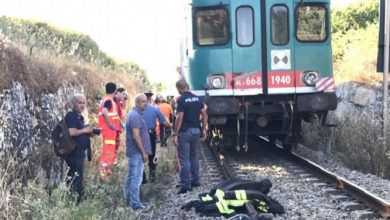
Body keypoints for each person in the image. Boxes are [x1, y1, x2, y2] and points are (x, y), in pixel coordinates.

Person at [173, 79, 208, 194]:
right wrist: (204, 129)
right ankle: (195, 180)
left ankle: (186, 185)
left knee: (184, 159)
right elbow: (204, 114)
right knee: (194, 156)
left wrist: (176, 133)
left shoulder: (181, 99)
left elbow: (180, 117)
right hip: (196, 131)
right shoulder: (198, 98)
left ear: (179, 88)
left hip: (185, 132)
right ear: (187, 86)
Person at [124, 93, 152, 210]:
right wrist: (143, 152)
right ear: (137, 103)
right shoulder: (135, 116)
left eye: (146, 101)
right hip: (136, 152)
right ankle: (136, 204)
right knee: (136, 178)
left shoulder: (134, 114)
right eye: (143, 101)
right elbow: (136, 136)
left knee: (131, 177)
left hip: (133, 152)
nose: (146, 103)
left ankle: (128, 201)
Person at [64, 94, 93, 203]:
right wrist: (85, 131)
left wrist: (88, 132)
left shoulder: (79, 117)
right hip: (74, 152)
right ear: (73, 103)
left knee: (78, 176)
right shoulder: (71, 116)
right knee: (75, 177)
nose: (82, 105)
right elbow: (72, 132)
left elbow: (79, 132)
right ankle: (74, 201)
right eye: (79, 102)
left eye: (83, 103)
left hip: (80, 152)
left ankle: (77, 198)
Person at [143, 92, 172, 182]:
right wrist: (171, 125)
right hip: (150, 135)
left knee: (140, 156)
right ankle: (152, 176)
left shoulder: (136, 109)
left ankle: (142, 178)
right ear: (150, 99)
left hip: (139, 135)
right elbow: (164, 122)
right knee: (152, 156)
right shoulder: (155, 109)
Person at [98, 82, 121, 179]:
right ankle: (104, 176)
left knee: (108, 152)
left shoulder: (105, 100)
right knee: (108, 153)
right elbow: (104, 113)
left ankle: (108, 173)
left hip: (108, 131)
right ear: (115, 91)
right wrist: (110, 125)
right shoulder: (109, 101)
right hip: (108, 131)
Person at [114, 87, 127, 163]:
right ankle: (112, 161)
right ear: (118, 92)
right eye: (123, 94)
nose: (124, 95)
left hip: (118, 126)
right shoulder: (114, 101)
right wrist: (121, 123)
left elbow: (124, 107)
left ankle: (114, 160)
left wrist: (125, 99)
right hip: (114, 126)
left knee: (117, 144)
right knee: (114, 144)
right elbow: (115, 115)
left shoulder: (119, 101)